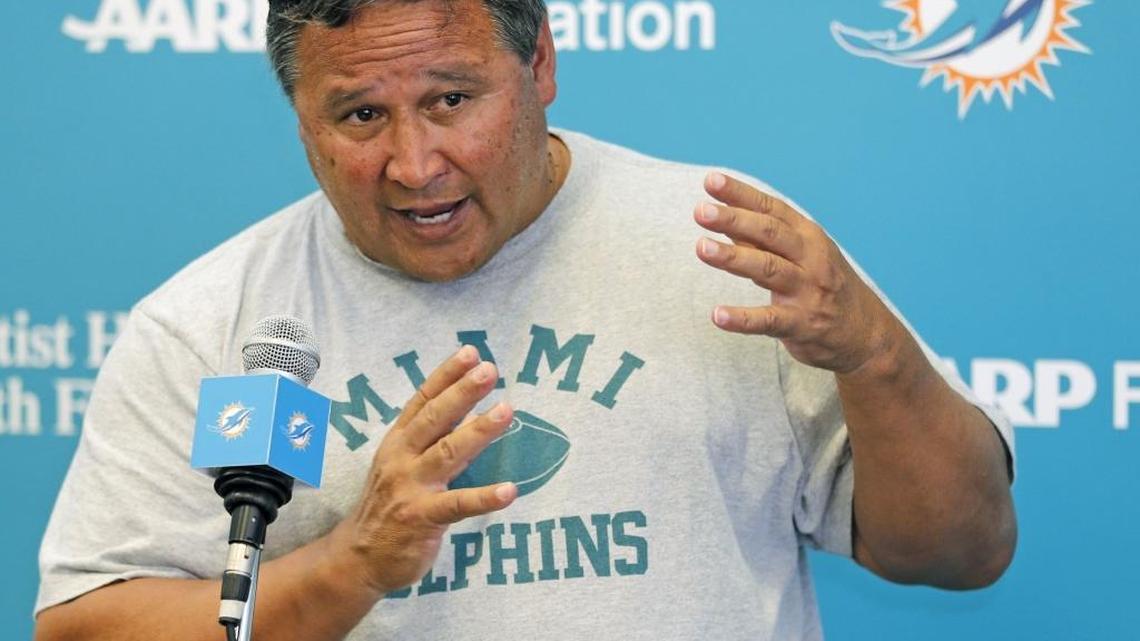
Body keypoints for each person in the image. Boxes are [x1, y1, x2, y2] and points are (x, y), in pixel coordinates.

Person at [34, 0, 1016, 639]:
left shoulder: (722, 241)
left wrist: (876, 358)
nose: (415, 164)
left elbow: (962, 550)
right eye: (360, 117)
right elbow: (89, 628)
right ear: (299, 116)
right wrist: (349, 566)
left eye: (452, 99)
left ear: (540, 61)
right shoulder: (213, 320)